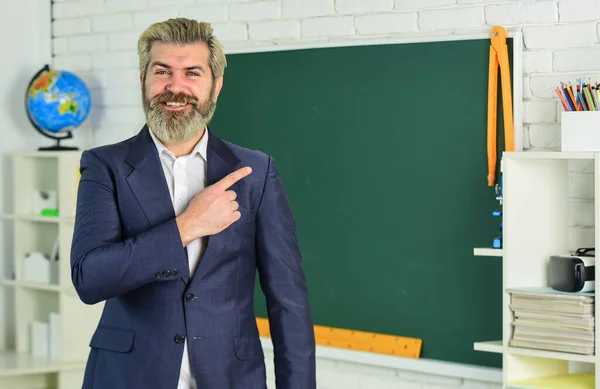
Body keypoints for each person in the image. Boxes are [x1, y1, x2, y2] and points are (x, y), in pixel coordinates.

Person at [70, 17, 316, 389]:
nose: (175, 87)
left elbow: (289, 303)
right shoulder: (104, 166)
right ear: (142, 81)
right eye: (162, 72)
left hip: (232, 378)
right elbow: (90, 277)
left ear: (215, 87)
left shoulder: (255, 172)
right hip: (127, 378)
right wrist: (188, 226)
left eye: (192, 73)